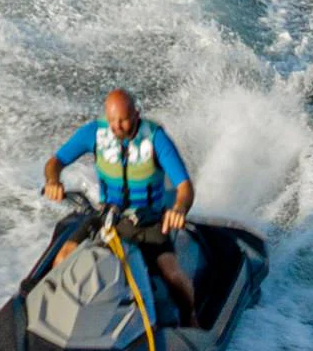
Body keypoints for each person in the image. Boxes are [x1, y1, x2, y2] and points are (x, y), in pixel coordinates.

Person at [43, 87, 198, 315]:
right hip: (108, 216)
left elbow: (185, 187)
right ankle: (55, 316)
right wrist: (53, 181)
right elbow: (55, 162)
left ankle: (191, 318)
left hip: (149, 221)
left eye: (123, 120)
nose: (117, 127)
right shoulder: (94, 133)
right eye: (112, 120)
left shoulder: (156, 139)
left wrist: (179, 209)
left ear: (136, 114)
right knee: (64, 257)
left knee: (172, 274)